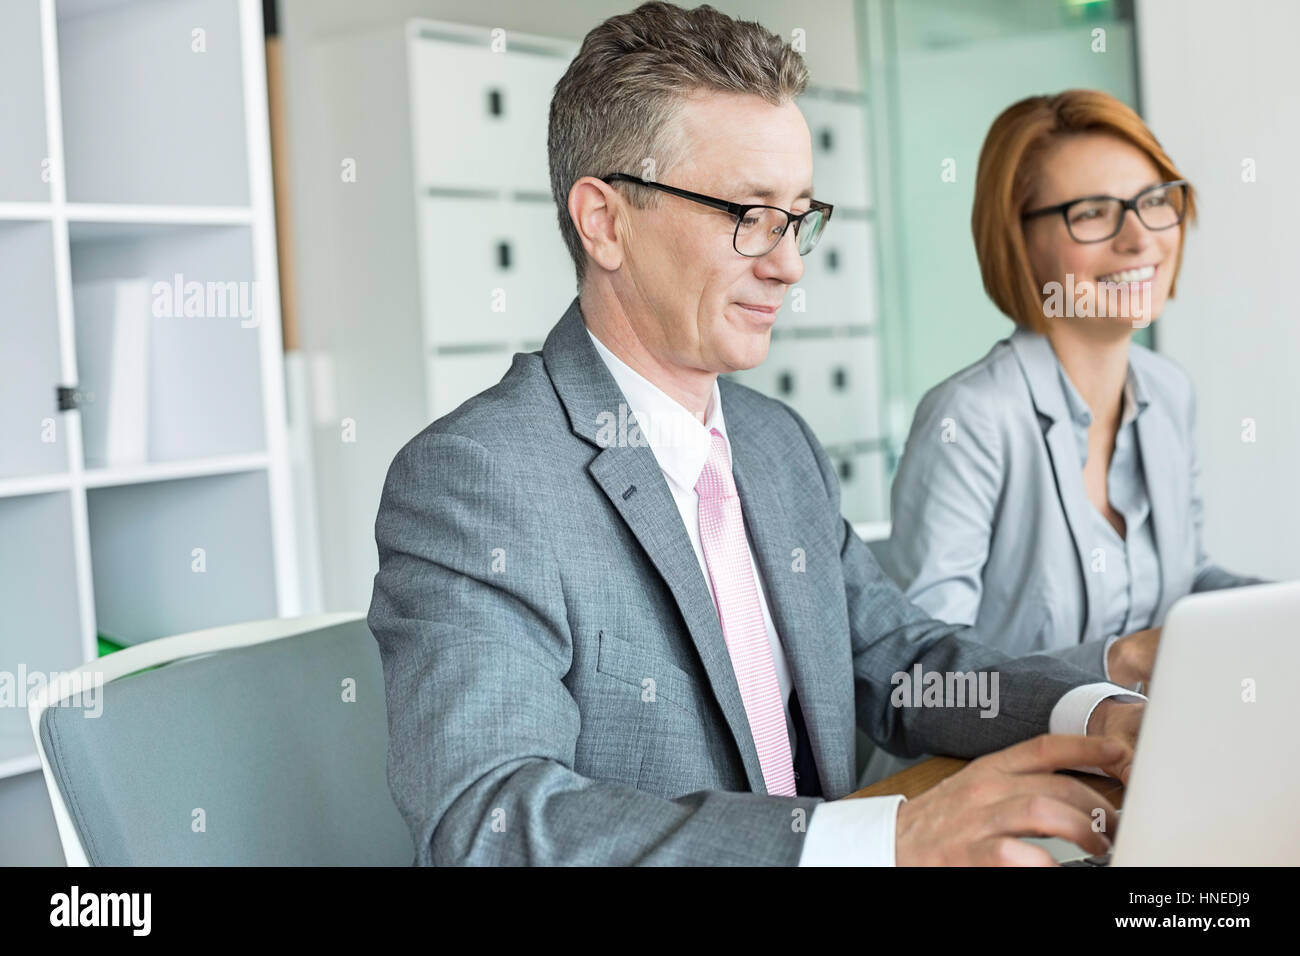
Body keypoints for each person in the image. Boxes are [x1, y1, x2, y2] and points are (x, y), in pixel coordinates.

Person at [368, 3, 1143, 867]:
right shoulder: (476, 478)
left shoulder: (776, 445)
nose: (789, 262)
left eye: (799, 216)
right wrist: (880, 840)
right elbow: (489, 819)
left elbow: (899, 661)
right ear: (604, 220)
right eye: (749, 213)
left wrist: (1094, 714)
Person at [869, 89, 1260, 786]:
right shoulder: (971, 419)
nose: (1140, 238)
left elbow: (1184, 580)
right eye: (1092, 214)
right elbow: (922, 684)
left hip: (1127, 778)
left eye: (1155, 200)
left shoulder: (1168, 394)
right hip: (977, 797)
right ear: (1018, 242)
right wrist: (1121, 662)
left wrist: (1276, 612)